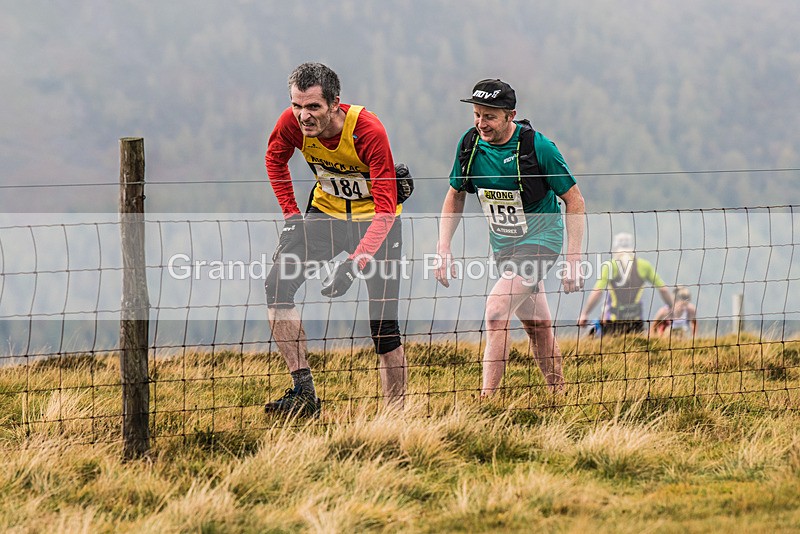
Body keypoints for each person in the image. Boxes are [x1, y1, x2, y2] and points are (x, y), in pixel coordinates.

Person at [263, 62, 407, 416]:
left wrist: (353, 263)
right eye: (297, 105)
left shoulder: (368, 131)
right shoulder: (291, 123)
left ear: (334, 103)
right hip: (325, 215)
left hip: (374, 224)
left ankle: (395, 416)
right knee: (276, 287)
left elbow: (387, 210)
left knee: (383, 327)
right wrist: (292, 217)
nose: (303, 116)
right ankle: (303, 393)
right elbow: (274, 159)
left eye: (313, 107)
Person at [435, 78, 585, 397]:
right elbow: (455, 194)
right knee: (539, 327)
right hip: (505, 247)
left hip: (542, 241)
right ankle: (560, 396)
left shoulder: (537, 147)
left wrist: (574, 259)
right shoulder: (470, 145)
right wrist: (443, 247)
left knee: (496, 310)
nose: (481, 123)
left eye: (489, 116)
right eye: (476, 115)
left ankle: (487, 401)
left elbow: (574, 200)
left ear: (510, 115)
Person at [578, 232, 674, 336]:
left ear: (615, 248)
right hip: (636, 322)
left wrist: (585, 313)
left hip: (613, 322)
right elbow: (663, 289)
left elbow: (597, 292)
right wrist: (671, 307)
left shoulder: (610, 266)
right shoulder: (644, 266)